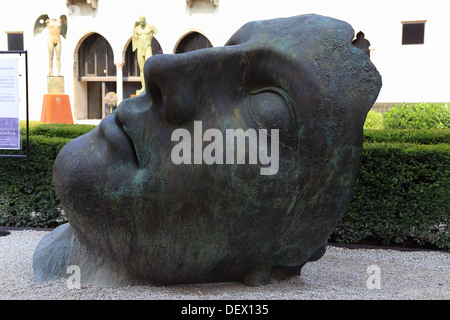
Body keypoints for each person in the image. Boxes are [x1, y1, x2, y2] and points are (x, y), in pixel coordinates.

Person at [133, 16, 158, 94]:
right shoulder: (137, 29)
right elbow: (134, 39)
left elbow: (157, 32)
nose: (141, 23)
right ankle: (143, 87)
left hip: (147, 48)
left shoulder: (151, 27)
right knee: (142, 69)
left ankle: (150, 87)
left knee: (149, 68)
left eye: (142, 21)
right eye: (140, 21)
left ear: (145, 20)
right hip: (140, 49)